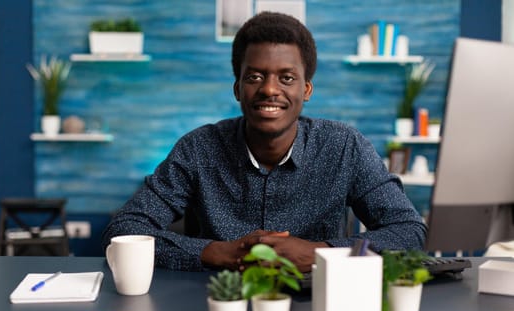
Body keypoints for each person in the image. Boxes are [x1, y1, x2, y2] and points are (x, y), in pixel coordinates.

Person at [102, 11, 427, 272]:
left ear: (307, 90)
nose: (270, 89)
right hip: (210, 308)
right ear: (237, 89)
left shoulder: (345, 147)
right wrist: (216, 252)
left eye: (287, 78)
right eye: (254, 77)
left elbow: (409, 231)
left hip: (316, 309)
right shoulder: (198, 149)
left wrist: (321, 252)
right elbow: (124, 229)